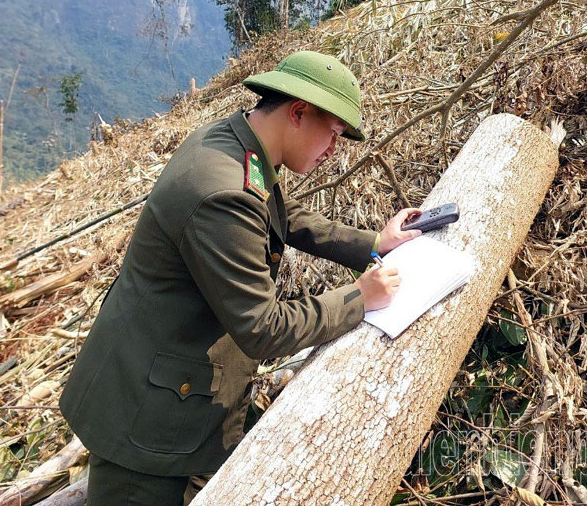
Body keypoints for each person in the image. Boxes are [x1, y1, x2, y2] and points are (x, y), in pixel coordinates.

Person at [59, 50, 422, 505]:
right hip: (144, 419)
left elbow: (280, 216)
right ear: (297, 112)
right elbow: (263, 327)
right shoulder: (223, 190)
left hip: (172, 383)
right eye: (331, 135)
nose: (332, 151)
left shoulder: (237, 144)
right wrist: (358, 298)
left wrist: (373, 243)